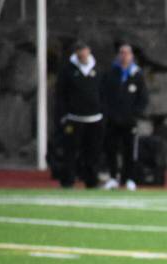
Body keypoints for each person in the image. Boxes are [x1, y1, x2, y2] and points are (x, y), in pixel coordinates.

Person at [54, 40, 104, 189]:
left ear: (89, 51)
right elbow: (60, 94)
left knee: (93, 151)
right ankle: (68, 180)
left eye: (84, 50)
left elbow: (104, 93)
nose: (82, 53)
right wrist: (63, 114)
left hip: (95, 118)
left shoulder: (98, 70)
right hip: (74, 118)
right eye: (79, 50)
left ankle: (92, 181)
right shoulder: (68, 71)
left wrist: (103, 112)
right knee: (70, 151)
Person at [100, 41, 148, 191]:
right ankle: (114, 177)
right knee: (111, 150)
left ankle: (130, 178)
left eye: (127, 53)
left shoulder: (137, 75)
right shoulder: (111, 74)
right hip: (113, 120)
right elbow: (104, 95)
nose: (124, 56)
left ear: (132, 56)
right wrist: (108, 113)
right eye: (122, 53)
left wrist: (135, 114)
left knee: (130, 151)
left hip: (129, 121)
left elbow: (143, 98)